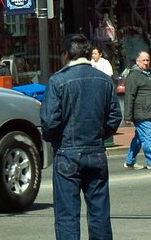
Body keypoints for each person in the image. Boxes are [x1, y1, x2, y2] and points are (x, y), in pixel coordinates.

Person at [40, 32, 122, 240]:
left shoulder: (58, 81)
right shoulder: (104, 81)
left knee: (67, 215)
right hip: (95, 150)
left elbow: (49, 122)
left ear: (66, 54)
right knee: (99, 213)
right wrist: (100, 135)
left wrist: (55, 139)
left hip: (67, 152)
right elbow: (114, 117)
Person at [122, 50, 151, 170]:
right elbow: (129, 97)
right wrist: (127, 116)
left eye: (147, 60)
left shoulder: (149, 74)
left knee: (139, 138)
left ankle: (130, 161)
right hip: (142, 112)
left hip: (149, 111)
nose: (146, 63)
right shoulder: (134, 76)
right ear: (137, 61)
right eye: (143, 60)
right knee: (149, 136)